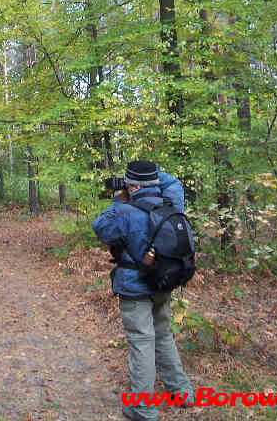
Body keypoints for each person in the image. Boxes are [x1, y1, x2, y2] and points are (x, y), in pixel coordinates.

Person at [92, 160, 195, 421]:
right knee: (163, 335)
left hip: (135, 287)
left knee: (142, 341)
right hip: (164, 281)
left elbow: (100, 228)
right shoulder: (171, 203)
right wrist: (148, 177)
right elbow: (174, 182)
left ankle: (143, 408)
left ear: (133, 184)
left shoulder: (124, 211)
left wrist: (119, 198)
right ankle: (181, 392)